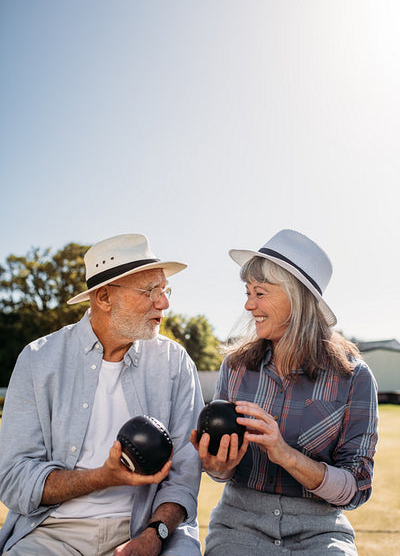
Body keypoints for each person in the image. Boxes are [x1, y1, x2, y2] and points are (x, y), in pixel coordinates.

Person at [0, 233, 204, 556]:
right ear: (104, 297)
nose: (163, 302)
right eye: (150, 291)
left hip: (148, 527)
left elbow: (183, 477)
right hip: (52, 533)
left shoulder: (176, 363)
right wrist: (101, 478)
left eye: (164, 290)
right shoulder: (37, 360)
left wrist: (154, 534)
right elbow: (14, 479)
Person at [190, 229, 378, 556]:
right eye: (248, 292)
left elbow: (357, 487)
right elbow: (222, 474)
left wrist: (287, 455)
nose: (249, 305)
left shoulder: (354, 377)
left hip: (320, 530)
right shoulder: (235, 368)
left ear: (297, 298)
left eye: (259, 293)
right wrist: (218, 465)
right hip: (239, 525)